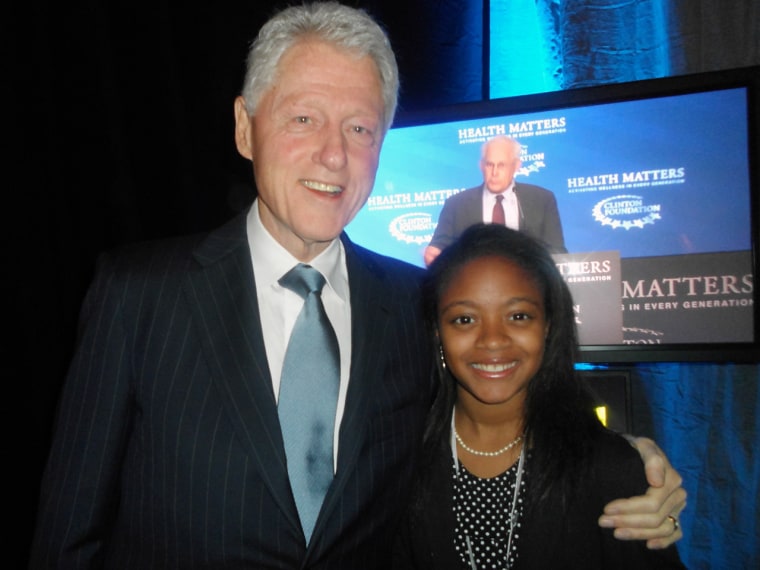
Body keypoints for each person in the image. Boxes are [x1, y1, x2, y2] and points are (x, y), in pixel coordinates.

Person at [29, 3, 684, 569]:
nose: (334, 154)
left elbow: (493, 415)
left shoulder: (414, 304)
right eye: (303, 119)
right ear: (242, 126)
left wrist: (628, 463)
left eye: (360, 128)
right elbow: (68, 536)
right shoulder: (138, 294)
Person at [394, 223, 685, 569]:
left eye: (518, 316)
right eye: (465, 319)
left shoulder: (610, 468)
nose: (492, 340)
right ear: (437, 332)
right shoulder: (401, 456)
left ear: (547, 326)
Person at [424, 135, 566, 266]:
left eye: (502, 165)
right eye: (489, 165)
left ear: (516, 166)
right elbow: (438, 249)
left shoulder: (542, 200)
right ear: (481, 166)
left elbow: (557, 253)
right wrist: (433, 255)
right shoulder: (456, 205)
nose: (495, 172)